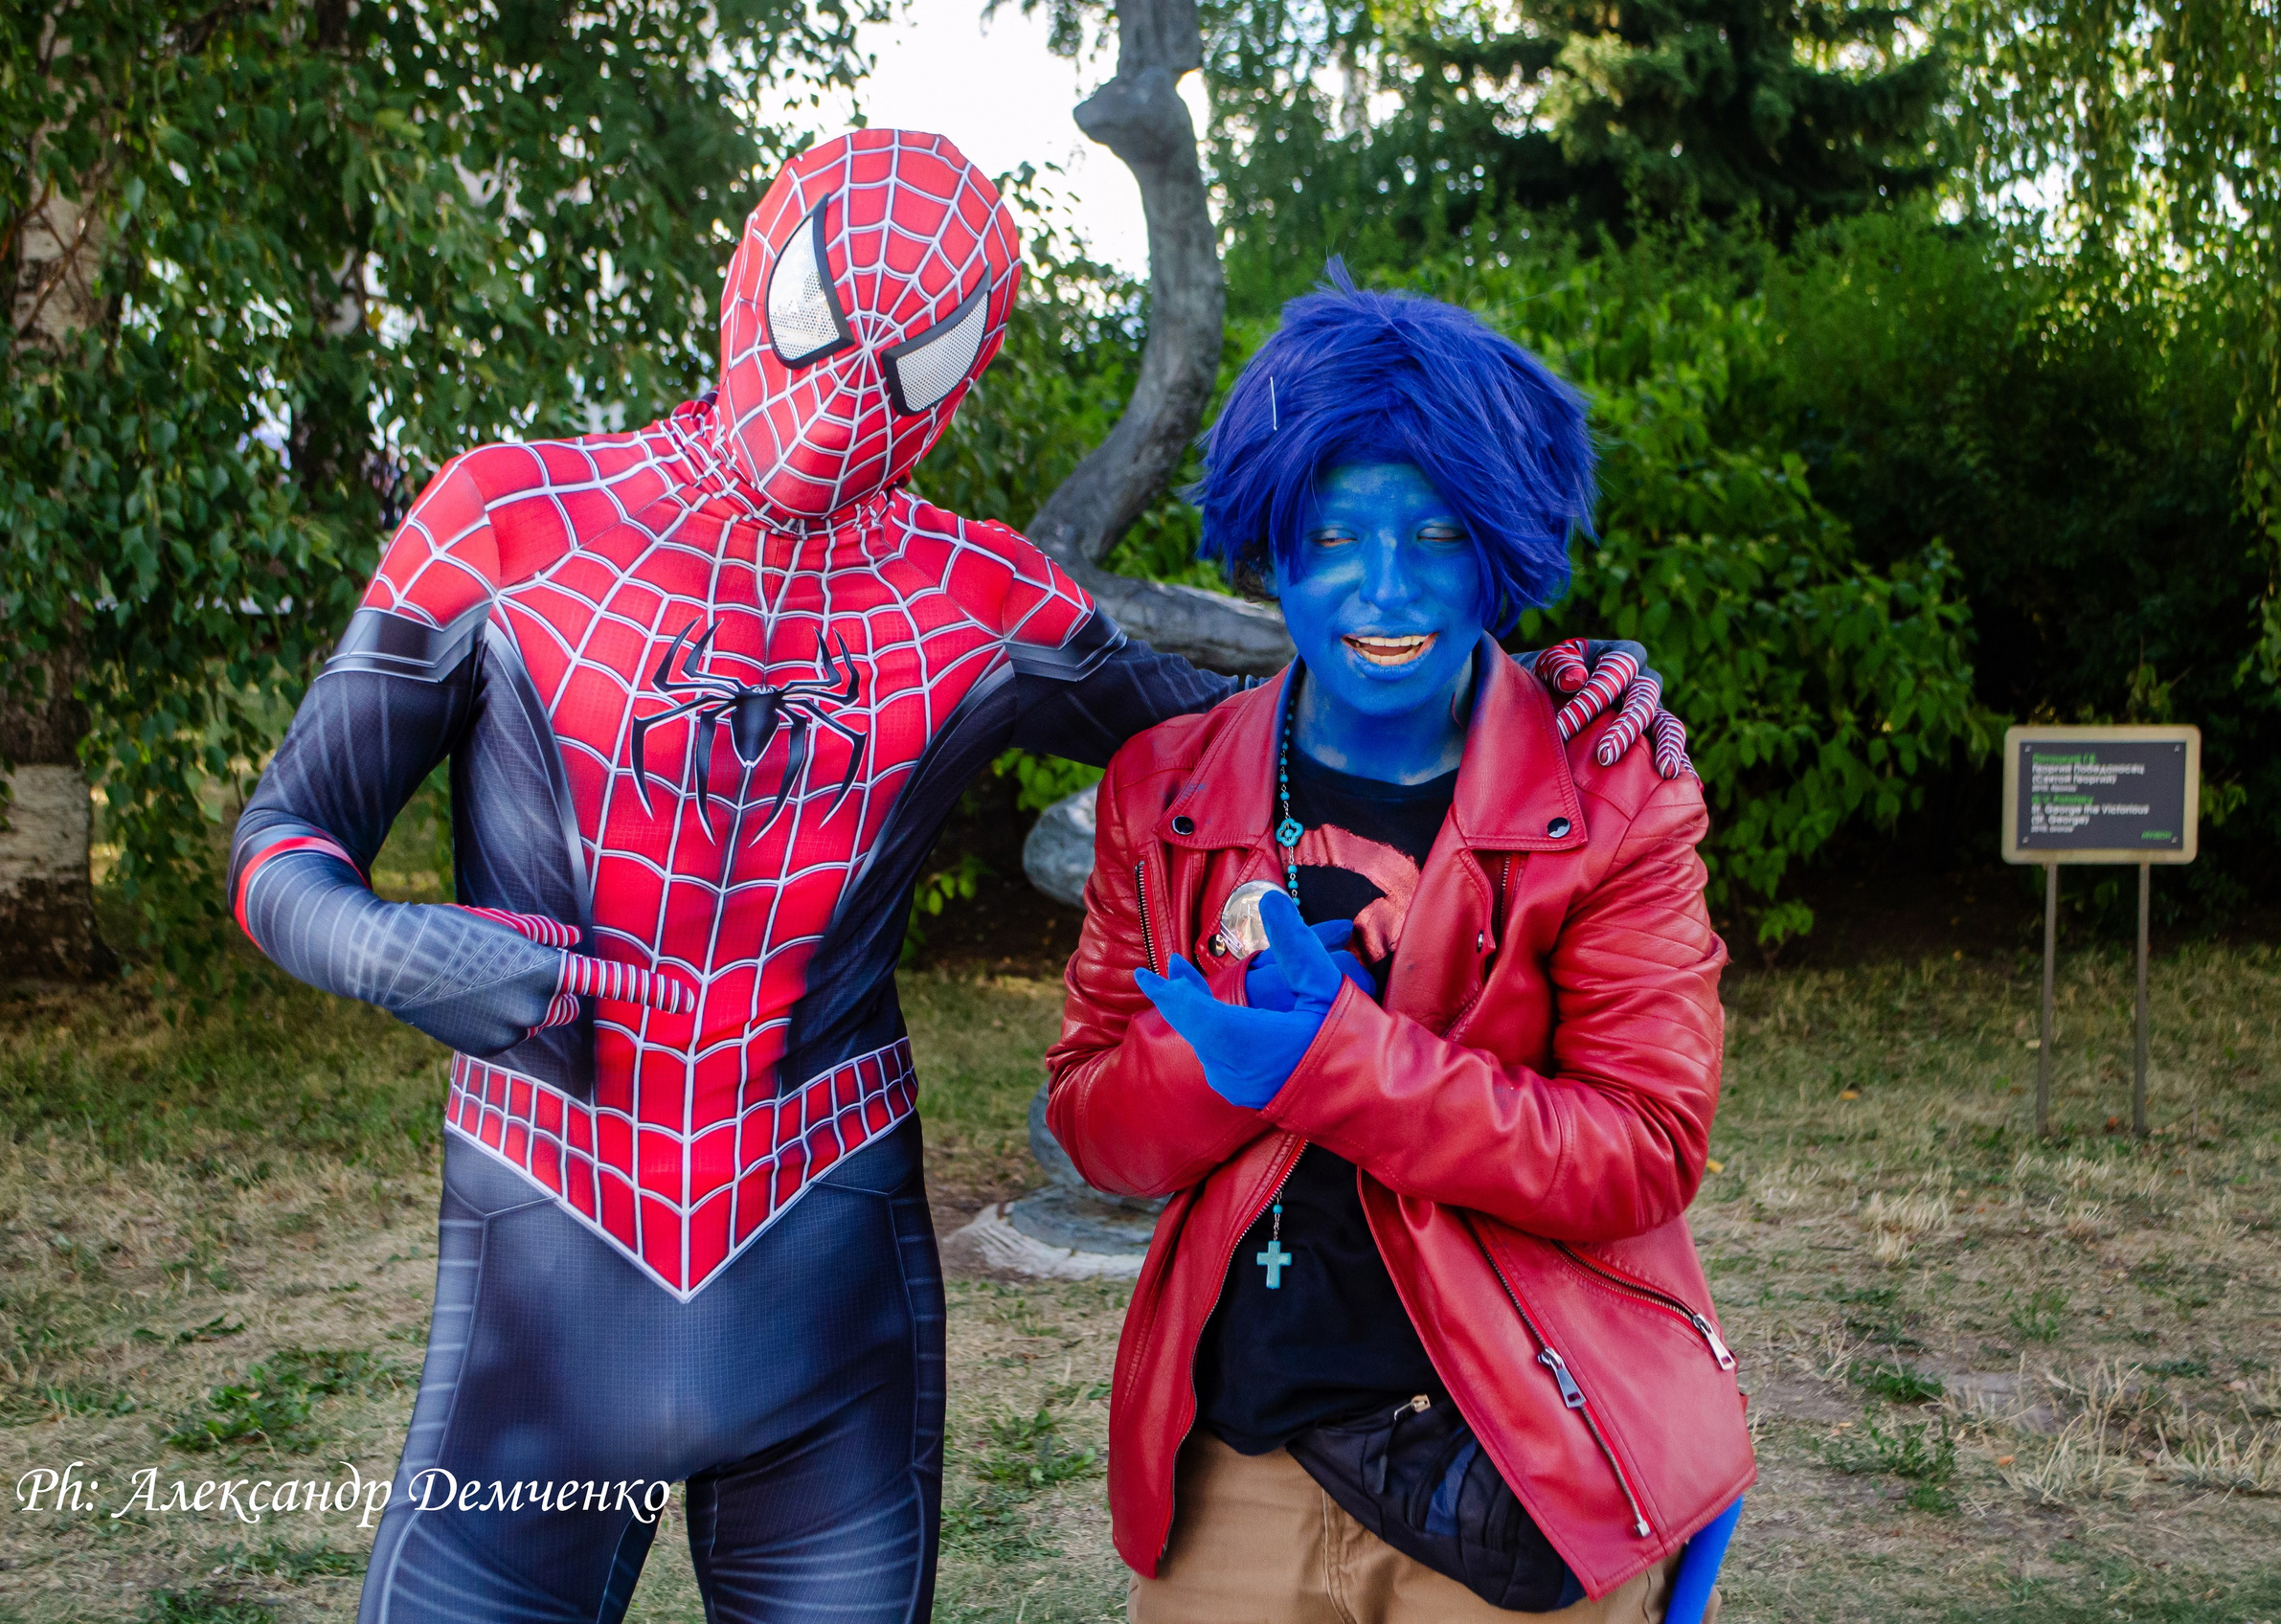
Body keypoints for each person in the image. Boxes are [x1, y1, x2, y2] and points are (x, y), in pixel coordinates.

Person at [227, 134, 1673, 1623]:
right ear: (749, 279)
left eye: (914, 352)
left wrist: (1540, 684)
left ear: (963, 376)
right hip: (545, 1250)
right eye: (821, 316)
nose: (854, 382)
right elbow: (282, 846)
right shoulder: (507, 520)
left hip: (824, 1262)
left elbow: (1287, 726)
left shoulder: (977, 597)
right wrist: (391, 950)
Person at [1046, 269, 1754, 1624]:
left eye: (1436, 536)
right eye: (1332, 537)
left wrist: (1333, 1060)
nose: (1383, 587)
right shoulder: (1167, 788)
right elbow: (1093, 1129)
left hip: (1514, 1464)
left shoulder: (1609, 788)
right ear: (1272, 550)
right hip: (1233, 1478)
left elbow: (1645, 1146)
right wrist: (1217, 1062)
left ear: (1501, 547)